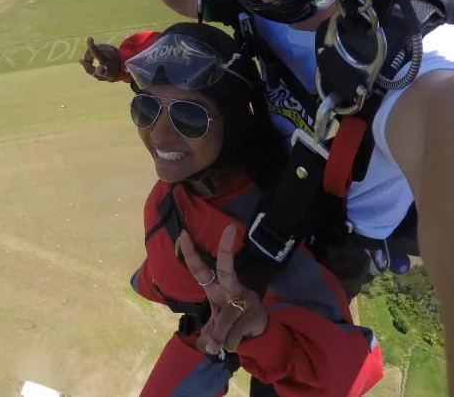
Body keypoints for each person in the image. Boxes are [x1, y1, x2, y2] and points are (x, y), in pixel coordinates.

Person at [78, 0, 454, 392]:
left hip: (334, 242)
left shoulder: (416, 60)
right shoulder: (257, 4)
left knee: (290, 366)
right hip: (274, 189)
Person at [85, 22, 383, 396]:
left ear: (235, 121)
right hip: (171, 275)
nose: (159, 135)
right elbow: (173, 68)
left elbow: (350, 371)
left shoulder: (264, 234)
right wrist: (124, 62)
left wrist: (263, 337)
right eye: (144, 109)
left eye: (189, 118)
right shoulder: (199, 171)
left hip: (215, 326)